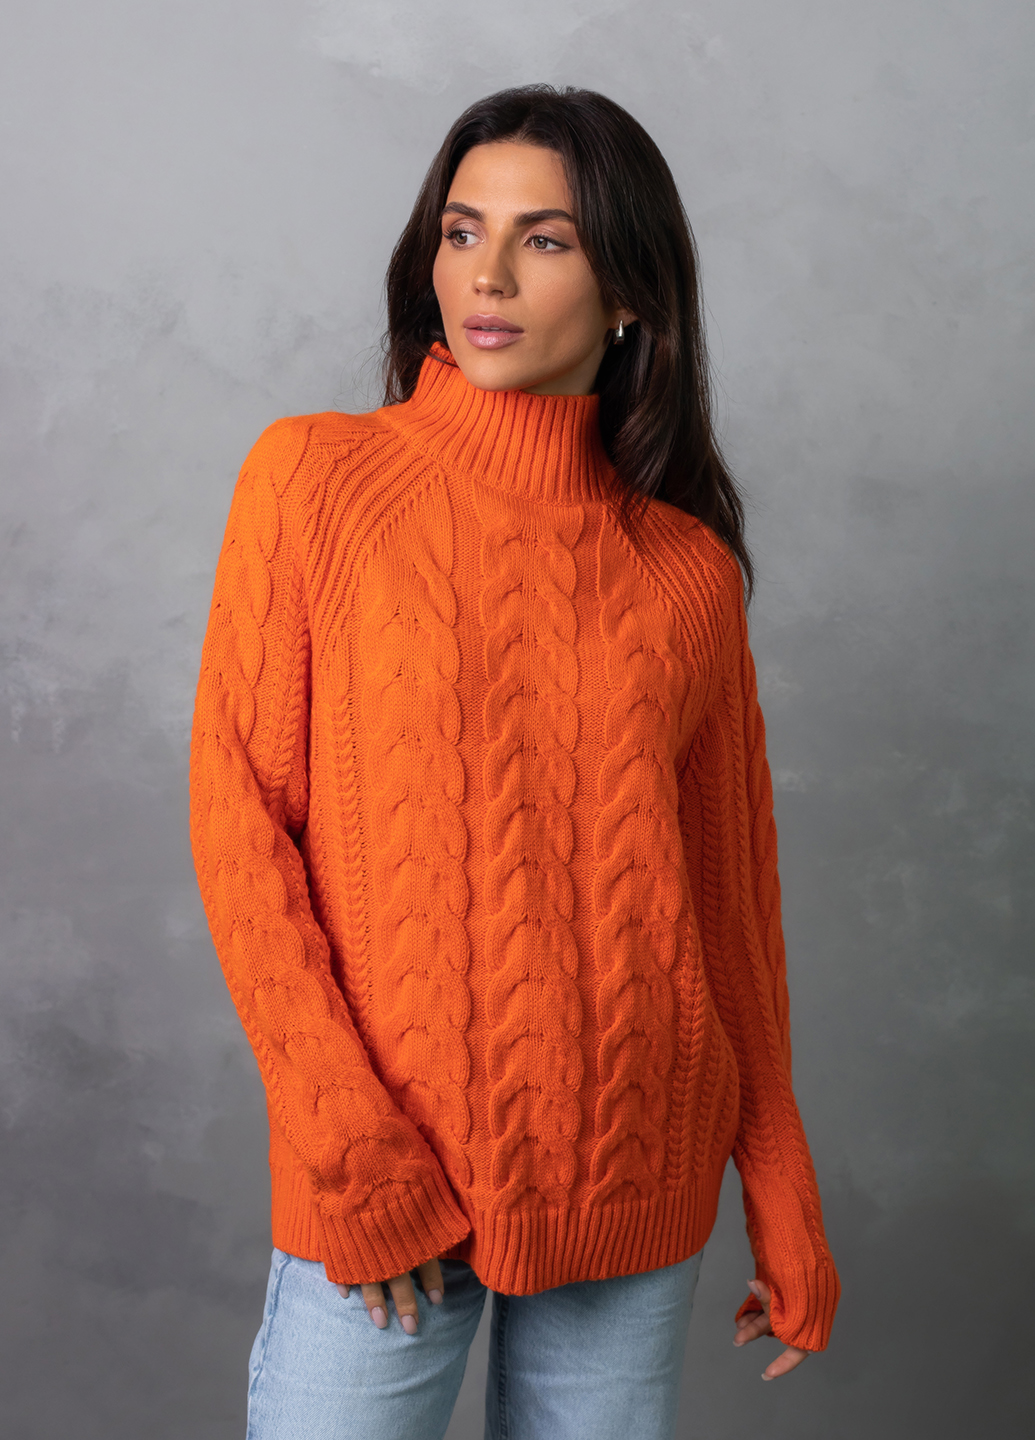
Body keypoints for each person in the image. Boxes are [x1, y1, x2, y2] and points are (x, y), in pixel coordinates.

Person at [189, 84, 841, 1440]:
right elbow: (241, 830)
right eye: (462, 230)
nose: (486, 275)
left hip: (634, 1161)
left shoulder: (687, 573)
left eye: (545, 240)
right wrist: (356, 1156)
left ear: (630, 292)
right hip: (386, 1181)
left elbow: (729, 912)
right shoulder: (314, 483)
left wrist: (782, 1190)